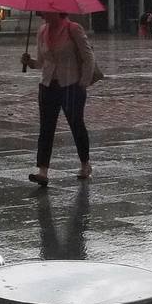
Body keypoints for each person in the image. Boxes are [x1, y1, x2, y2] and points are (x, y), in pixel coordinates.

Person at [20, 11, 95, 186]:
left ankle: (85, 164)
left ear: (56, 11)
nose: (41, 14)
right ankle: (43, 171)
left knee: (76, 124)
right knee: (46, 128)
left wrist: (83, 82)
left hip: (71, 84)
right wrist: (29, 61)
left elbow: (88, 56)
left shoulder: (73, 29)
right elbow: (41, 61)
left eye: (44, 11)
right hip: (47, 85)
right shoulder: (42, 31)